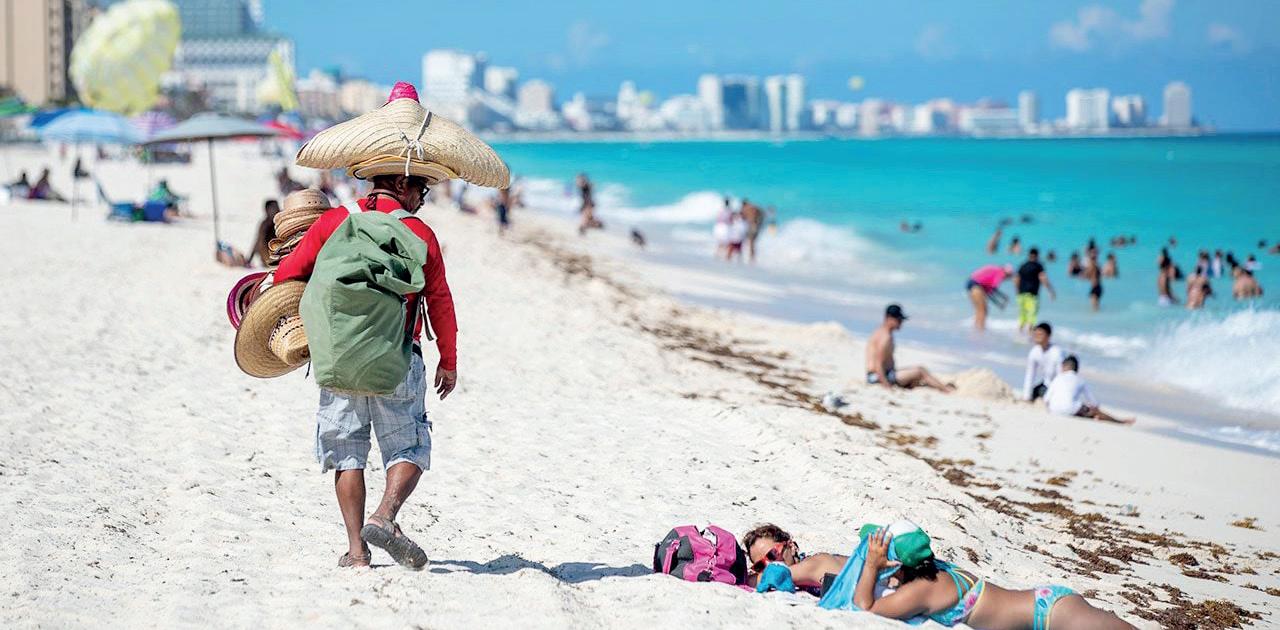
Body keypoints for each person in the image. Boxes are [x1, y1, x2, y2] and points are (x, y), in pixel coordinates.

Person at [274, 81, 497, 570]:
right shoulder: (419, 233)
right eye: (421, 188)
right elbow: (440, 302)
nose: (422, 198)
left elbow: (286, 275)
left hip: (339, 358)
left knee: (347, 454)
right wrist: (449, 361)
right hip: (397, 356)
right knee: (410, 444)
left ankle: (357, 551)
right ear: (400, 182)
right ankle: (386, 514)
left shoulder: (333, 222)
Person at [854, 528, 1134, 628]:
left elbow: (866, 608)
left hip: (1052, 617)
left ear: (896, 563)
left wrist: (870, 567)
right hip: (1049, 604)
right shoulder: (935, 568)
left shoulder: (920, 591)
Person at [865, 304, 954, 392]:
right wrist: (886, 386)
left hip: (884, 375)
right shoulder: (885, 337)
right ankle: (946, 390)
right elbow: (878, 364)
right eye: (899, 320)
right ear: (889, 318)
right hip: (877, 377)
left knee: (916, 379)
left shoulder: (882, 333)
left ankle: (941, 386)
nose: (901, 323)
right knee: (920, 371)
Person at [742, 524, 849, 594]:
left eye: (772, 555)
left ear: (791, 546)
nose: (769, 565)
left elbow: (775, 574)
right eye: (760, 565)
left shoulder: (815, 563)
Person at [1044, 356, 1134, 424]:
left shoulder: (1057, 378)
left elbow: (1046, 399)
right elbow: (1094, 403)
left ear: (1063, 366)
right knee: (1094, 411)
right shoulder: (1080, 380)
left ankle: (1089, 416)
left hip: (1053, 410)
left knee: (1080, 408)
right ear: (1077, 368)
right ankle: (1119, 421)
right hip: (1070, 409)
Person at [1022, 322, 1065, 402]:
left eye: (1040, 334)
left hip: (1058, 386)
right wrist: (1026, 396)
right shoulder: (1034, 351)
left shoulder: (1056, 352)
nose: (1037, 336)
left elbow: (1061, 376)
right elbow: (1030, 374)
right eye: (1035, 334)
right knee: (1034, 392)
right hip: (1046, 384)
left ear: (1048, 336)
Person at [1015, 249, 1056, 333]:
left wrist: (1018, 292)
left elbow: (1016, 279)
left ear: (1029, 255)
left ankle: (1019, 333)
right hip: (1032, 295)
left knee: (1022, 316)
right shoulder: (1038, 266)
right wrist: (1051, 291)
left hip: (1021, 295)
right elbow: (1043, 278)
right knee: (1032, 316)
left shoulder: (1023, 265)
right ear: (1037, 255)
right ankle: (1030, 334)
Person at [966, 264, 1012, 330]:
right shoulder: (1000, 272)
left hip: (971, 283)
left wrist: (1000, 302)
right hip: (976, 285)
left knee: (979, 310)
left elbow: (989, 291)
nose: (1006, 279)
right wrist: (1002, 300)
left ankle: (976, 329)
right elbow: (993, 289)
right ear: (1006, 273)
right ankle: (980, 330)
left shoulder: (995, 269)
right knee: (983, 310)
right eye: (1008, 276)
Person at [247, 200, 280, 267]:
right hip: (268, 259)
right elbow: (258, 242)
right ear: (266, 210)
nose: (276, 210)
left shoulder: (281, 221)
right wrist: (249, 259)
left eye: (277, 207)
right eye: (273, 208)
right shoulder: (265, 224)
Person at [741, 198, 765, 263]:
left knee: (750, 242)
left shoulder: (745, 208)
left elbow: (743, 218)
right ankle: (752, 257)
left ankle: (751, 258)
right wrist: (759, 224)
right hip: (755, 226)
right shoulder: (754, 207)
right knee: (752, 243)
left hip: (750, 226)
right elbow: (762, 214)